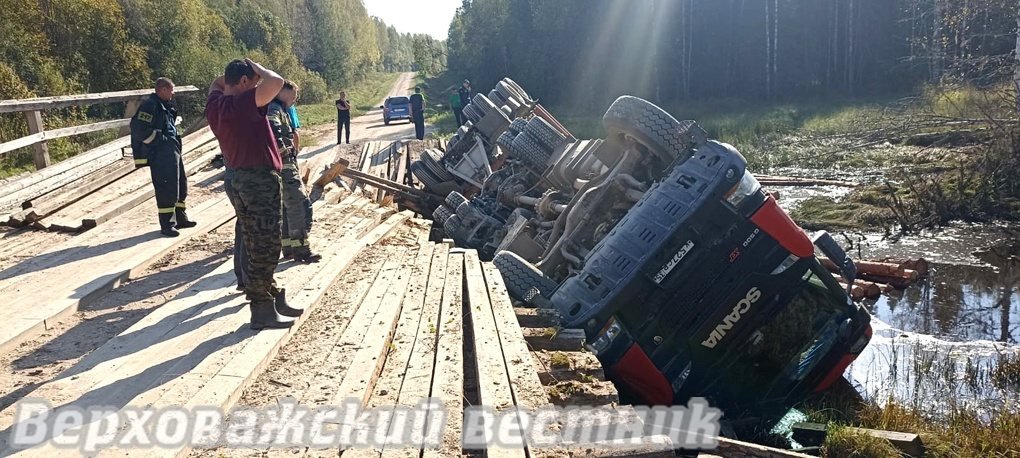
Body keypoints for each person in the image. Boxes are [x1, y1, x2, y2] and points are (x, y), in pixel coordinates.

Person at [205, 58, 301, 330]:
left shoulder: (216, 104)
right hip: (257, 179)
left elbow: (216, 83)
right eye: (254, 81)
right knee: (266, 245)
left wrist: (234, 75)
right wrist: (257, 67)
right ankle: (261, 309)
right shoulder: (242, 104)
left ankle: (271, 297)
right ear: (245, 82)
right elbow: (277, 82)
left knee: (254, 240)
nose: (259, 85)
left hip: (237, 176)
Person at [130, 77, 197, 237]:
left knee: (180, 184)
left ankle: (181, 217)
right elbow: (138, 129)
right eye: (171, 90)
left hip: (172, 151)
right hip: (160, 154)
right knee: (166, 187)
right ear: (163, 89)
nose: (173, 94)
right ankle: (167, 225)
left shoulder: (164, 106)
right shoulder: (150, 105)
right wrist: (160, 142)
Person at [268, 81, 321, 263]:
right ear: (283, 92)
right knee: (299, 205)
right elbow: (272, 129)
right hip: (285, 167)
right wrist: (283, 150)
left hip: (284, 165)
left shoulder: (280, 108)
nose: (294, 99)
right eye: (293, 95)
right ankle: (301, 251)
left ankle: (289, 247)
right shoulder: (273, 108)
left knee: (286, 207)